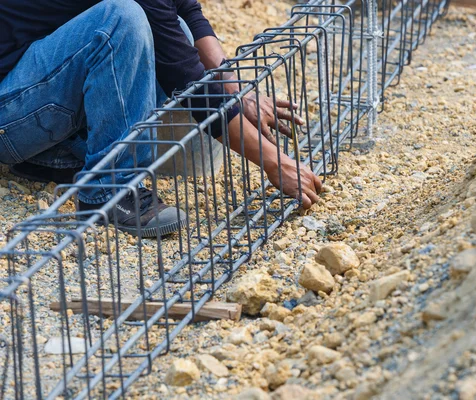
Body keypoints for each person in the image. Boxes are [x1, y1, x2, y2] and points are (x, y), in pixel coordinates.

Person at [0, 0, 322, 237]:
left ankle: (58, 156)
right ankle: (110, 190)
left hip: (35, 85)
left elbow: (187, 14)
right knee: (122, 20)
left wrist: (240, 95)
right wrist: (275, 163)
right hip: (10, 109)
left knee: (171, 27)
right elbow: (189, 81)